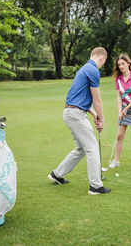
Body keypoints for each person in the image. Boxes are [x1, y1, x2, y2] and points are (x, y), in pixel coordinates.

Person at [48, 47, 111, 195]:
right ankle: (95, 186)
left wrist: (94, 114)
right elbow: (97, 100)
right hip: (75, 114)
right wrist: (101, 120)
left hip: (70, 112)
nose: (102, 65)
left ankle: (57, 174)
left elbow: (81, 99)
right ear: (102, 59)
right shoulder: (93, 70)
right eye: (103, 62)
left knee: (81, 149)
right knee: (92, 147)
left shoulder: (84, 69)